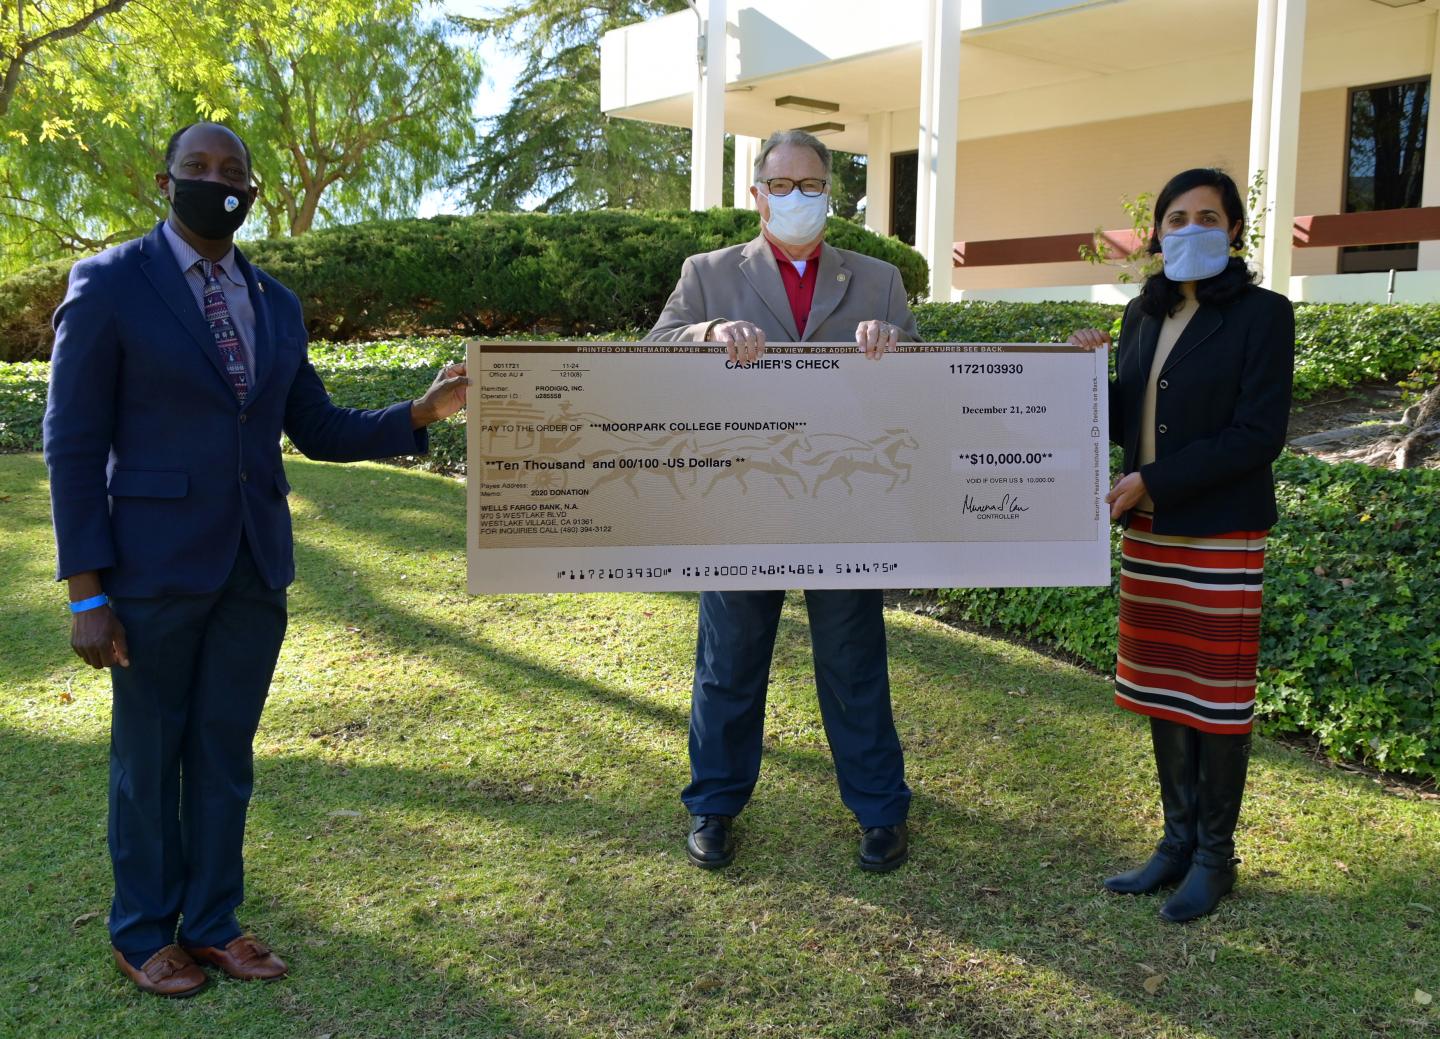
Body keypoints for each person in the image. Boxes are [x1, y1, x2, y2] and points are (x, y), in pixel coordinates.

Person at [43, 122, 467, 996]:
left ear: (253, 190)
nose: (216, 180)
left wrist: (419, 414)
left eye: (232, 169)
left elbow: (313, 426)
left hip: (252, 566)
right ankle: (140, 930)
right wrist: (87, 592)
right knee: (150, 756)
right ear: (167, 182)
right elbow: (72, 442)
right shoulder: (111, 282)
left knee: (225, 753)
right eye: (197, 167)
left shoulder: (275, 302)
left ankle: (211, 923)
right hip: (151, 568)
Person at [646, 130, 918, 873]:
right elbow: (653, 349)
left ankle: (879, 810)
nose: (797, 196)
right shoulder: (706, 273)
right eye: (782, 184)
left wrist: (895, 343)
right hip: (741, 495)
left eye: (812, 184)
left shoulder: (879, 280)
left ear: (832, 192)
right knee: (729, 657)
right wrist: (705, 332)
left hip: (843, 500)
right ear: (757, 192)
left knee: (853, 656)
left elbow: (927, 383)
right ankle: (713, 804)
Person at [1069, 167, 1293, 923]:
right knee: (1166, 686)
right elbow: (1125, 417)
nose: (1188, 228)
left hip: (1220, 529)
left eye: (1206, 216)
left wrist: (1156, 482)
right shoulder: (1141, 313)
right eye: (1174, 218)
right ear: (1157, 231)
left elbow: (1259, 435)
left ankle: (1213, 857)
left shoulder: (1265, 315)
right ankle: (1173, 842)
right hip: (1154, 533)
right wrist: (1077, 373)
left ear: (1233, 230)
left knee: (1216, 698)